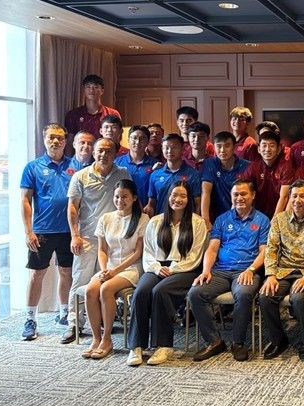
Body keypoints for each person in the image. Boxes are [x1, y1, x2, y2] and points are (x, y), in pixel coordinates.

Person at [187, 179, 269, 362]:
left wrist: (251, 269)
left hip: (246, 270)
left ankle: (238, 342)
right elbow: (212, 249)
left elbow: (265, 251)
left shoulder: (262, 220)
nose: (239, 198)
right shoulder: (222, 220)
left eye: (243, 194)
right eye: (235, 194)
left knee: (243, 293)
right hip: (220, 271)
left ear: (253, 195)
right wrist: (206, 270)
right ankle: (214, 341)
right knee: (195, 293)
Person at [127, 181, 208, 366]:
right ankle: (136, 346)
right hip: (156, 267)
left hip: (185, 269)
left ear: (189, 199)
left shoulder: (197, 222)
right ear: (168, 196)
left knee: (160, 291)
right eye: (174, 195)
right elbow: (147, 252)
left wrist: (172, 269)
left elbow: (195, 256)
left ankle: (163, 345)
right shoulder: (155, 221)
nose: (177, 200)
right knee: (141, 292)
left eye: (183, 196)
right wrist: (156, 268)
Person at [64, 137, 131, 344]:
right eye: (100, 151)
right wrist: (74, 235)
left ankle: (101, 320)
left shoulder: (122, 174)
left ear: (115, 153)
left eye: (108, 151)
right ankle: (74, 323)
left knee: (104, 279)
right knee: (80, 279)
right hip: (86, 237)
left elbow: (126, 200)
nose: (103, 155)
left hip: (113, 238)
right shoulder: (81, 176)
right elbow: (73, 207)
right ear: (94, 152)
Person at [259, 179, 304, 360]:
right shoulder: (279, 219)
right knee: (266, 296)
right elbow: (271, 249)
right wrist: (271, 275)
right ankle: (279, 340)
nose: (297, 200)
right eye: (294, 196)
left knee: (298, 298)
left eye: (303, 196)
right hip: (283, 271)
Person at [83, 179, 149, 359]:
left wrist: (114, 271)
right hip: (109, 267)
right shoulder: (106, 218)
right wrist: (105, 269)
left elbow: (138, 253)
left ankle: (107, 339)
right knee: (90, 290)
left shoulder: (143, 219)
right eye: (117, 197)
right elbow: (102, 250)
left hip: (131, 268)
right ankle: (96, 338)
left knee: (106, 289)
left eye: (125, 197)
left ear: (134, 198)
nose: (120, 201)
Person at [19, 124, 74, 340]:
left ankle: (64, 314)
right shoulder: (33, 167)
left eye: (60, 138)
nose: (56, 142)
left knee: (66, 273)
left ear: (65, 141)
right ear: (44, 139)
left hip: (68, 231)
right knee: (37, 274)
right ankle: (30, 318)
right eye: (51, 137)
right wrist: (28, 231)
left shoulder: (74, 165)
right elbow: (25, 200)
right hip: (42, 231)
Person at [200, 131, 251, 226]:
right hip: (216, 215)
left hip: (241, 216)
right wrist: (205, 219)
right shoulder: (209, 164)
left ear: (234, 147)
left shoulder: (246, 166)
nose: (222, 150)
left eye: (227, 146)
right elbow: (205, 192)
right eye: (219, 146)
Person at [145, 134, 201, 216]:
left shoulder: (194, 174)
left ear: (182, 149)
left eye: (174, 147)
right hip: (162, 222)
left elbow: (198, 204)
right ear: (162, 149)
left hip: (186, 223)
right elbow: (151, 204)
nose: (169, 151)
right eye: (166, 148)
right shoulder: (155, 175)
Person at [64, 74, 120, 156]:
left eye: (96, 87)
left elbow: (117, 139)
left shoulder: (112, 113)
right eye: (88, 87)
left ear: (102, 91)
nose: (92, 90)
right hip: (82, 157)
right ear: (84, 90)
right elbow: (69, 142)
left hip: (105, 156)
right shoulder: (73, 114)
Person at [243, 130, 293, 217]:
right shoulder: (253, 167)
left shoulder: (285, 166)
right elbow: (246, 191)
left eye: (272, 145)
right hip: (258, 214)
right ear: (259, 149)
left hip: (281, 213)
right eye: (264, 145)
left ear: (278, 149)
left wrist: (275, 220)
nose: (267, 149)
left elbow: (284, 196)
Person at [115, 125, 157, 205]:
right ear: (128, 140)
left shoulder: (155, 164)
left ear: (148, 142)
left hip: (147, 209)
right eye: (134, 138)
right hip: (123, 208)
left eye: (142, 139)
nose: (137, 142)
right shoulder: (117, 163)